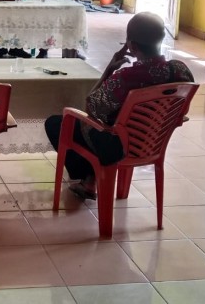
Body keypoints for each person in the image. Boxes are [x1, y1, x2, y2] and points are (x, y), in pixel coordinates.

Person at [45, 12, 193, 200]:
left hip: (119, 147)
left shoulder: (125, 79)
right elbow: (182, 111)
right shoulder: (180, 70)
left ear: (132, 46)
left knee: (58, 123)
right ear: (162, 38)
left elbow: (91, 108)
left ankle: (89, 178)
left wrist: (109, 70)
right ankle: (90, 180)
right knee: (108, 124)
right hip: (153, 143)